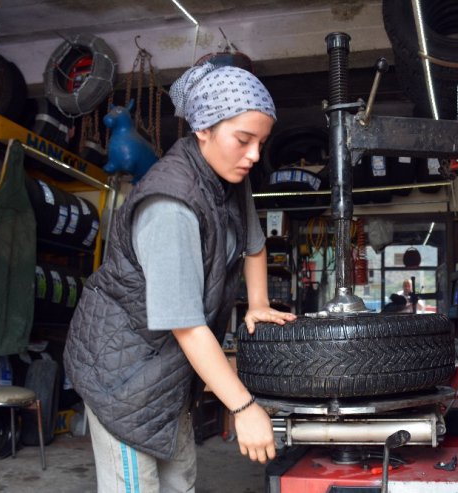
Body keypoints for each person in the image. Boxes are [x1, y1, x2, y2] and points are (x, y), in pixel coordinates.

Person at [64, 62, 297, 493]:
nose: (254, 156)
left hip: (167, 368)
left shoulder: (230, 175)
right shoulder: (170, 205)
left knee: (181, 482)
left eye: (261, 142)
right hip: (123, 372)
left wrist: (259, 304)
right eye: (243, 140)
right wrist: (244, 407)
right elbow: (186, 324)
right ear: (203, 129)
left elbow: (254, 243)